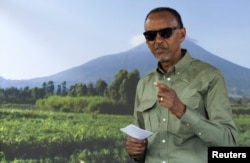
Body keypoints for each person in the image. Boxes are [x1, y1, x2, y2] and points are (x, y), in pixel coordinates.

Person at [125, 7, 238, 163]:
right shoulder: (144, 83)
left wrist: (183, 111)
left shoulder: (210, 77)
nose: (158, 41)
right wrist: (135, 151)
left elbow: (229, 142)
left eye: (165, 33)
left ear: (182, 34)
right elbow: (139, 142)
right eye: (150, 35)